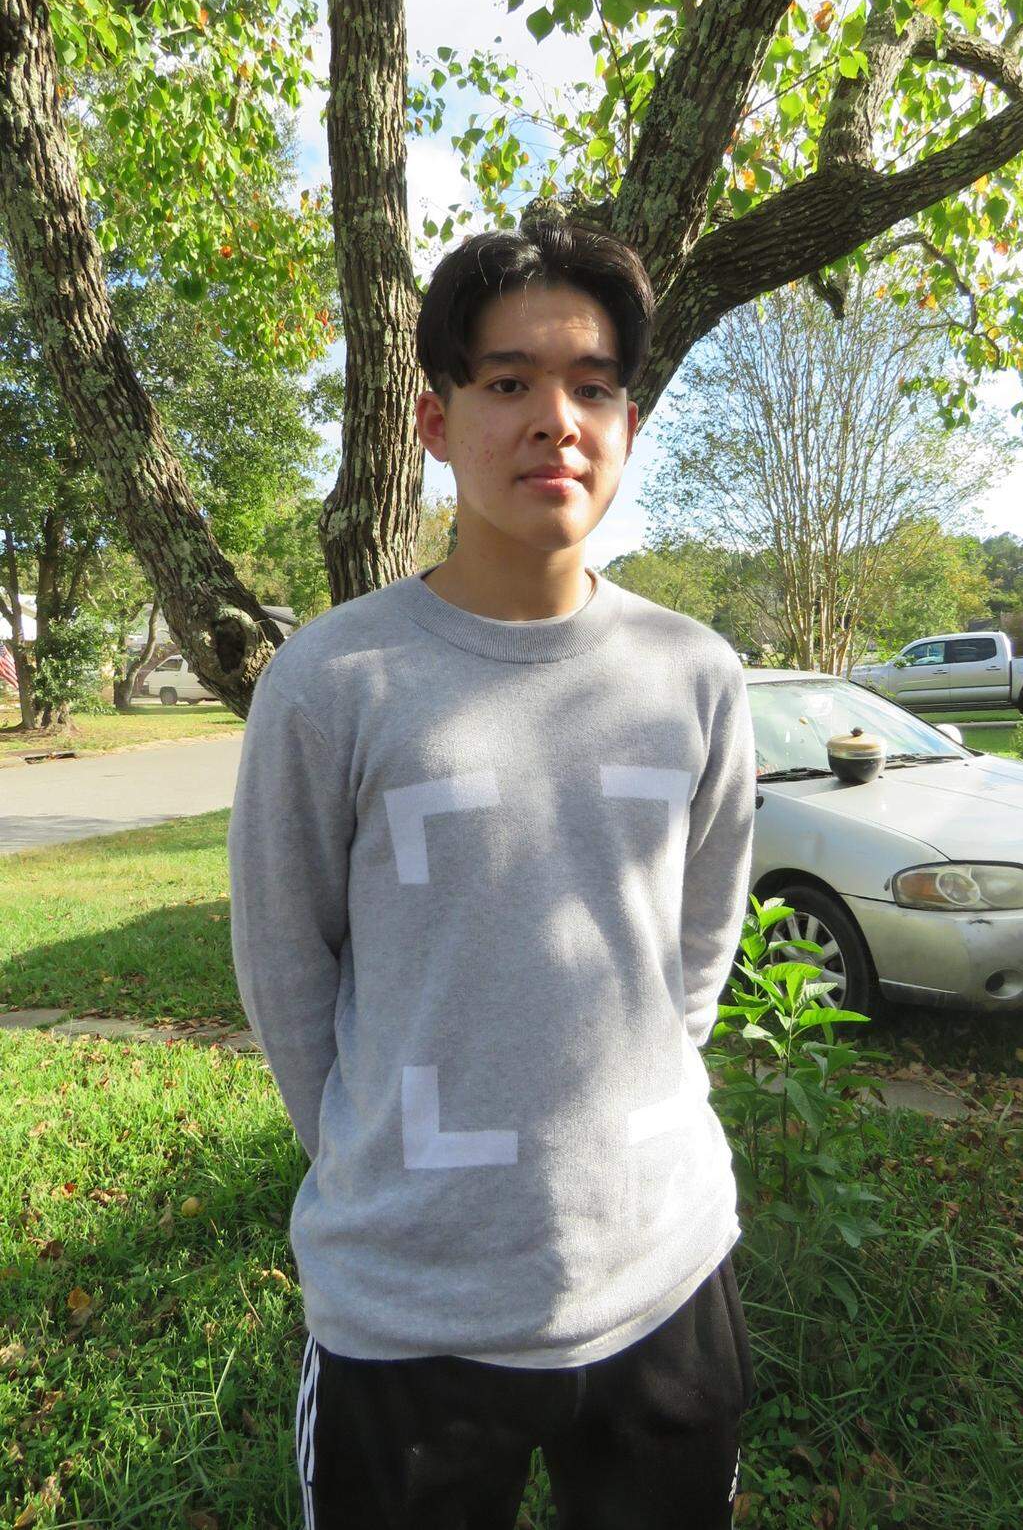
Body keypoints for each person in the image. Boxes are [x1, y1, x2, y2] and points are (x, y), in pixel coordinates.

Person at [227, 215, 758, 1530]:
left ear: (628, 426)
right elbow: (289, 976)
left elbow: (694, 960)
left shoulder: (697, 676)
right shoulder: (331, 683)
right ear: (432, 420)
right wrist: (398, 1163)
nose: (555, 420)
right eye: (508, 381)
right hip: (409, 1310)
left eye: (592, 387)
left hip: (665, 1276)